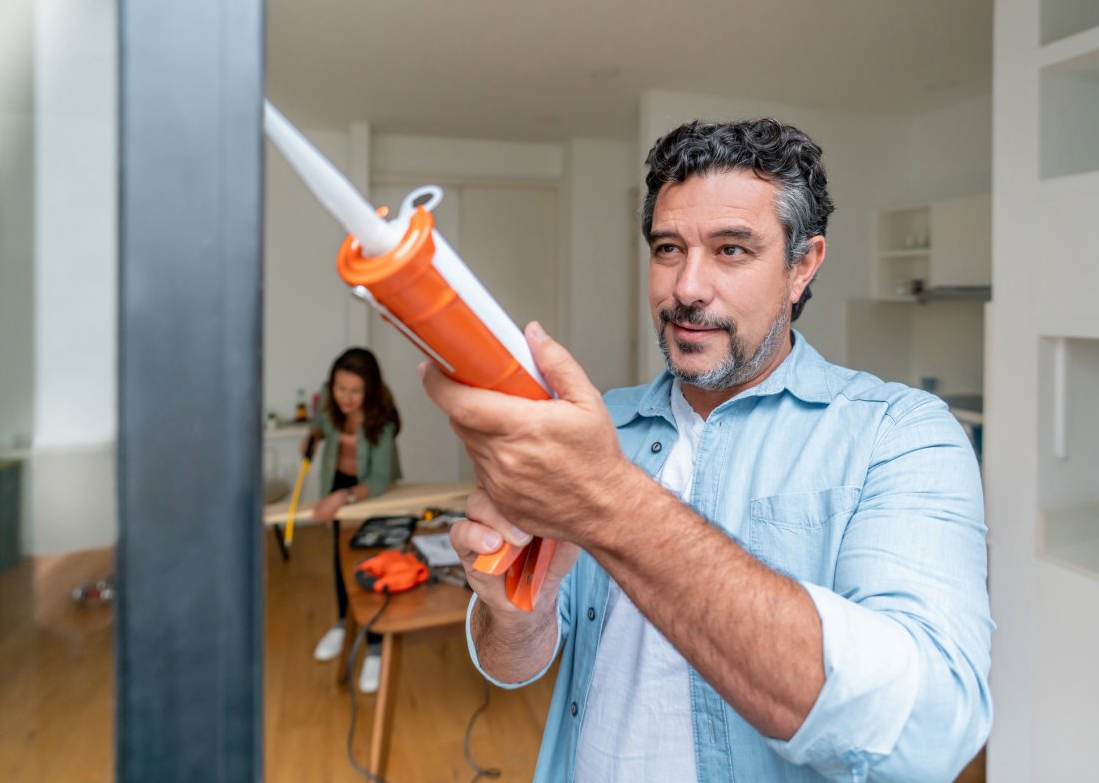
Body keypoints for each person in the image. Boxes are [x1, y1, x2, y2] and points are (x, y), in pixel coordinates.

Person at [421, 119, 993, 781]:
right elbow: (512, 665)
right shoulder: (599, 428)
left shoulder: (900, 435)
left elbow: (928, 734)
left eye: (730, 250)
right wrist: (514, 607)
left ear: (802, 266)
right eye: (668, 248)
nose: (687, 288)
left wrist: (609, 502)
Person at [306, 347, 402, 693]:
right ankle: (342, 622)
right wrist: (314, 435)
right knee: (338, 559)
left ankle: (375, 645)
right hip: (338, 485)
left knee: (370, 564)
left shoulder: (383, 421)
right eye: (339, 388)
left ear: (371, 390)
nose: (345, 398)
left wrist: (342, 498)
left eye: (355, 391)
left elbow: (378, 480)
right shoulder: (331, 408)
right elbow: (320, 424)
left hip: (370, 493)